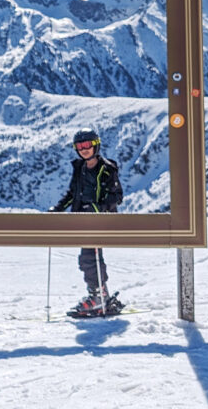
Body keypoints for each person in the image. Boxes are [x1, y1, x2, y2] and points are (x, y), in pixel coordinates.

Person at [50, 128, 124, 316]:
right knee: (89, 257)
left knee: (90, 257)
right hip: (82, 220)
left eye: (87, 145)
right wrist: (57, 209)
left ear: (96, 145)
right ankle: (100, 296)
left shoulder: (107, 168)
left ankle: (99, 298)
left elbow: (116, 196)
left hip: (99, 220)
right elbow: (72, 193)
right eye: (80, 146)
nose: (84, 149)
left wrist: (96, 209)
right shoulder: (79, 168)